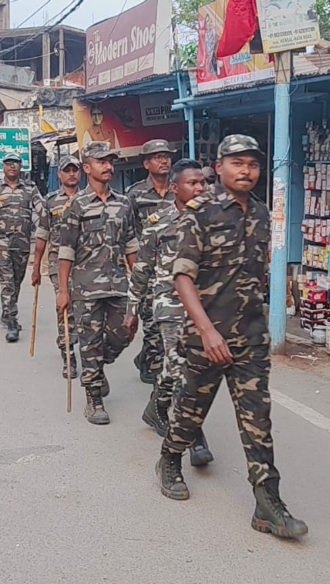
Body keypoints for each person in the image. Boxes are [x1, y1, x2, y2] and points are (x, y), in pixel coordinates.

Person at [155, 135, 307, 540]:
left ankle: (268, 503)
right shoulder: (199, 213)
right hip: (206, 337)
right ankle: (169, 458)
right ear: (218, 167)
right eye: (237, 163)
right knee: (191, 411)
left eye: (253, 164)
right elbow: (182, 277)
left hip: (250, 339)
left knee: (258, 421)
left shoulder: (261, 213)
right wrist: (207, 331)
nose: (246, 171)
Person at [128, 159, 211, 465]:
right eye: (192, 183)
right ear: (175, 188)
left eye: (202, 182)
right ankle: (195, 437)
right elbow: (143, 268)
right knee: (184, 369)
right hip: (170, 301)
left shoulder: (216, 219)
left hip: (206, 304)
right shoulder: (159, 222)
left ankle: (158, 404)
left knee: (184, 367)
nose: (200, 188)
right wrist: (132, 308)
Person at [56, 142, 139, 424]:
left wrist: (140, 283)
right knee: (89, 343)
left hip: (118, 285)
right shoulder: (76, 205)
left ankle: (98, 366)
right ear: (87, 168)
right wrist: (63, 291)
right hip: (86, 287)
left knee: (124, 333)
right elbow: (66, 250)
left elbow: (131, 244)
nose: (108, 166)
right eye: (101, 161)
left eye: (110, 161)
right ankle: (94, 399)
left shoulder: (124, 203)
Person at [126, 139, 177, 386]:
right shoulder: (135, 194)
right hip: (147, 268)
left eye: (166, 156)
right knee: (151, 322)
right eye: (157, 157)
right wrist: (135, 269)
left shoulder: (179, 189)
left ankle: (148, 359)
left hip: (174, 270)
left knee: (165, 323)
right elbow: (128, 235)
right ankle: (156, 371)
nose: (164, 160)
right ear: (146, 164)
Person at [0, 153, 43, 342]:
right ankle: (12, 323)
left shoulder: (30, 189)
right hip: (1, 245)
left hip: (22, 245)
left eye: (15, 163)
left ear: (21, 167)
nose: (12, 166)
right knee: (7, 283)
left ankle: (6, 313)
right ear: (3, 167)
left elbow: (42, 212)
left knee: (16, 283)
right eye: (8, 163)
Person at [32, 155, 81, 378]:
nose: (71, 174)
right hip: (58, 263)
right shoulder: (50, 202)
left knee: (86, 311)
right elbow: (42, 235)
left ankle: (82, 345)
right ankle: (68, 353)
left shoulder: (87, 199)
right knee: (65, 306)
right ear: (59, 175)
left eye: (75, 170)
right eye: (67, 170)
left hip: (85, 263)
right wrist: (36, 267)